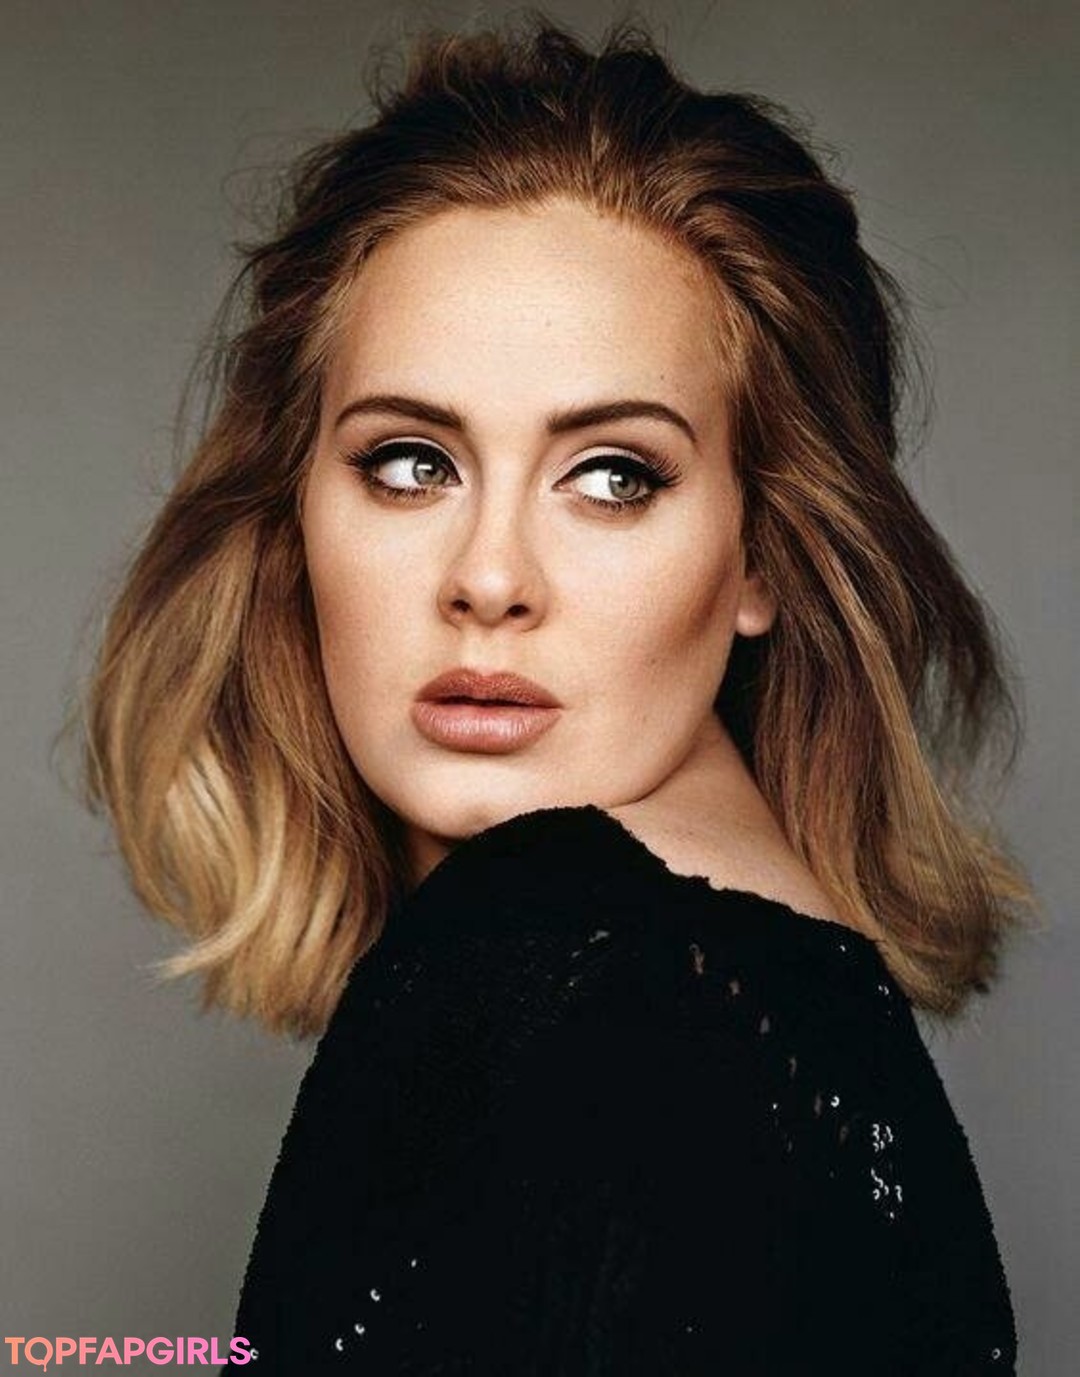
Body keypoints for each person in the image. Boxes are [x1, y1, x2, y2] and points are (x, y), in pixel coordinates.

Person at [81, 14, 1034, 1374]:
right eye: (411, 462)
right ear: (294, 516)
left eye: (612, 476)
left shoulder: (543, 965)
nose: (489, 578)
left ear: (764, 549)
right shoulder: (785, 996)